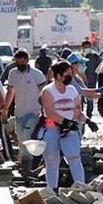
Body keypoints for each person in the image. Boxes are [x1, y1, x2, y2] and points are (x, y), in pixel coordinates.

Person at [38, 60, 86, 189]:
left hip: (69, 130)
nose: (71, 77)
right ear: (59, 76)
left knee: (74, 158)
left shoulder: (72, 91)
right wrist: (64, 122)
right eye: (68, 74)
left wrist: (86, 120)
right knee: (52, 160)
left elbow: (77, 111)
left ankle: (81, 189)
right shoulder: (48, 91)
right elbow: (50, 112)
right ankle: (52, 190)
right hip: (51, 127)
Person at [4, 50, 47, 172]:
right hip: (19, 112)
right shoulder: (12, 73)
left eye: (23, 61)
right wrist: (5, 109)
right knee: (21, 139)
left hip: (34, 112)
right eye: (18, 62)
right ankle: (25, 163)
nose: (20, 64)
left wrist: (46, 110)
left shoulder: (36, 75)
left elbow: (44, 93)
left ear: (27, 61)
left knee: (26, 138)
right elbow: (10, 92)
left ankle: (27, 167)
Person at [81, 40, 101, 118]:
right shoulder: (80, 56)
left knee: (90, 98)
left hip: (92, 79)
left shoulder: (95, 56)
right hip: (81, 80)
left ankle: (89, 113)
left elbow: (99, 67)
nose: (87, 48)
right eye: (85, 47)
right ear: (82, 48)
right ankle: (81, 112)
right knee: (80, 97)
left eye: (88, 47)